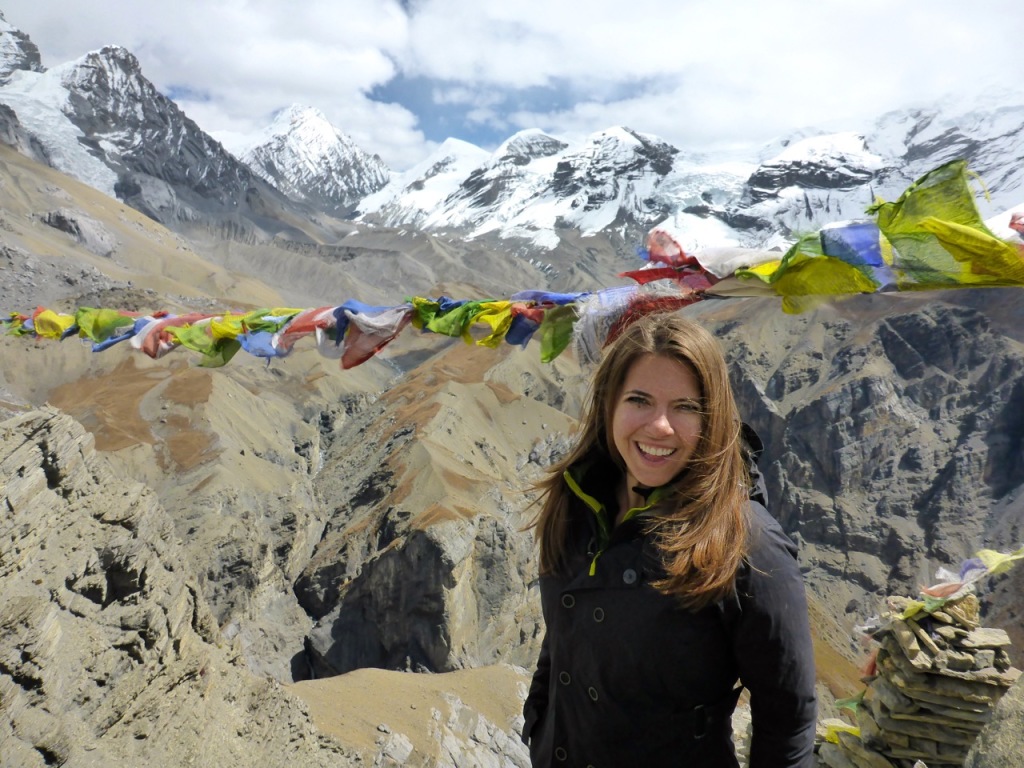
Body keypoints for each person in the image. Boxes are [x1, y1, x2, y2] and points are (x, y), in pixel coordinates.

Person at [522, 311, 817, 767]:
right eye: (639, 399)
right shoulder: (576, 502)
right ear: (609, 405)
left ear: (713, 418)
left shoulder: (749, 543)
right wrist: (539, 719)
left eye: (685, 407)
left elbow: (788, 716)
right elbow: (565, 631)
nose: (660, 427)